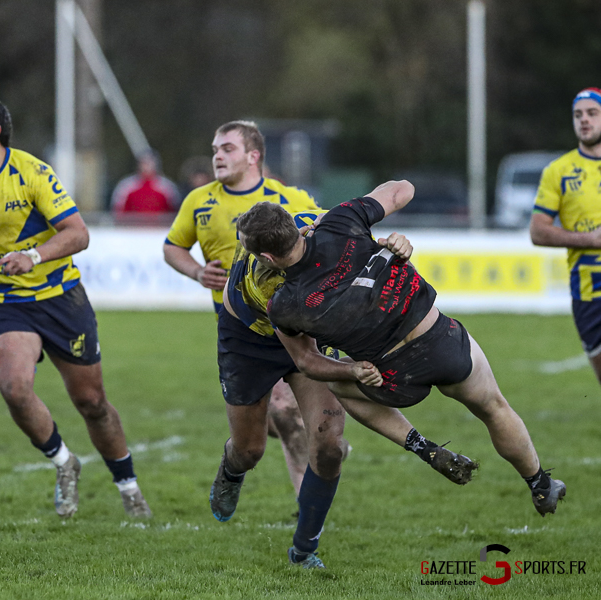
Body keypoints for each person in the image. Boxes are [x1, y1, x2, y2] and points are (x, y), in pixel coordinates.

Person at [235, 181, 566, 524]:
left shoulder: (285, 306)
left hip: (390, 376)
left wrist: (353, 371)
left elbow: (306, 362)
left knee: (338, 383)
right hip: (441, 343)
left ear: (267, 258)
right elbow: (403, 189)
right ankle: (540, 483)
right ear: (295, 226)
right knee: (494, 407)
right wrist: (395, 240)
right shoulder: (341, 221)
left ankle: (422, 447)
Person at [215, 209, 476, 569]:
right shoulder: (271, 284)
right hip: (252, 341)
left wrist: (394, 245)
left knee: (329, 446)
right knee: (249, 451)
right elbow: (306, 360)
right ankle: (232, 471)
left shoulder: (325, 229)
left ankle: (303, 550)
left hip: (309, 334)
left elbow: (369, 230)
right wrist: (353, 369)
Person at [0, 94, 151, 519]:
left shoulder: (32, 172)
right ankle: (63, 462)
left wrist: (33, 256)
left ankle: (128, 485)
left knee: (91, 402)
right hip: (6, 302)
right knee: (15, 388)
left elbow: (78, 233)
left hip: (61, 299)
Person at [164, 120, 320, 500]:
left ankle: (307, 507)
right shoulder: (199, 200)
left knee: (286, 410)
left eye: (227, 148)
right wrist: (199, 272)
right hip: (236, 328)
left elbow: (325, 234)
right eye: (215, 148)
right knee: (256, 436)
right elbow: (172, 247)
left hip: (288, 323)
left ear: (253, 156)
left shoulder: (288, 198)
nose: (217, 155)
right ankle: (241, 462)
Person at [530, 87, 601, 386]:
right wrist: (592, 240)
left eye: (592, 113)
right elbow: (538, 231)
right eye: (578, 115)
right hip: (590, 289)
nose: (584, 120)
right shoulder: (558, 171)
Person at [111, 149, 180, 223]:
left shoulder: (167, 187)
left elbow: (174, 211)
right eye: (144, 163)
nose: (147, 166)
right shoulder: (126, 186)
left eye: (150, 162)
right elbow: (118, 211)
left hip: (159, 230)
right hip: (132, 231)